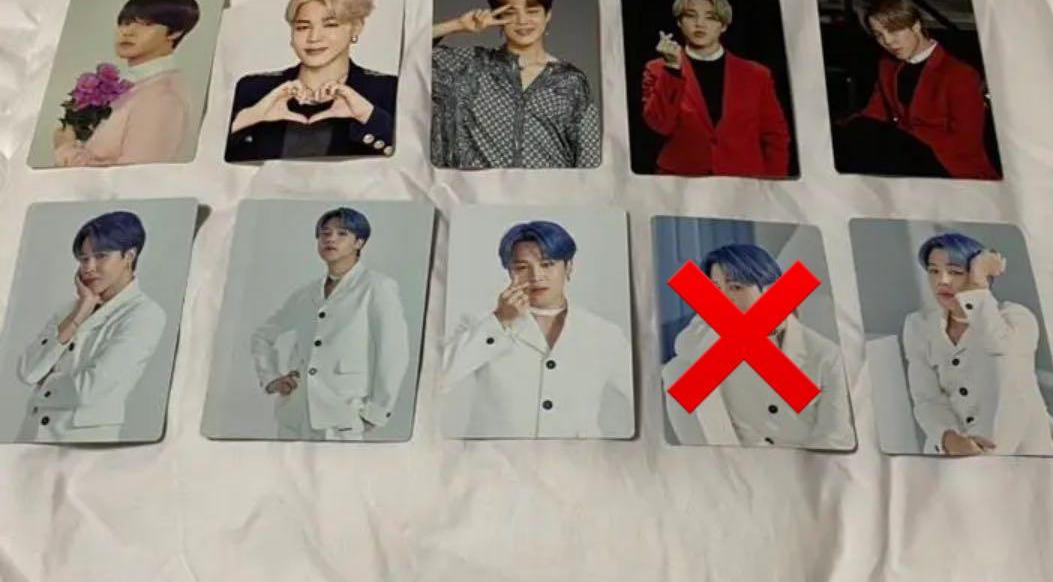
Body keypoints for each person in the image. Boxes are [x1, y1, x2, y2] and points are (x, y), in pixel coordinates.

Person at [442, 219, 633, 438]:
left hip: (577, 456)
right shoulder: (478, 324)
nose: (536, 277)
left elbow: (644, 397)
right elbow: (436, 380)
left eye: (547, 264)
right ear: (510, 272)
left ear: (568, 267)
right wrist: (500, 321)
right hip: (496, 456)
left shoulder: (604, 334)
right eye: (522, 268)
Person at [661, 243, 853, 449]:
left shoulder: (825, 355)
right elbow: (686, 345)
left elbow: (834, 438)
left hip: (804, 459)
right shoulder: (713, 338)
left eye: (735, 287)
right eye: (715, 290)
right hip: (739, 459)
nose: (723, 299)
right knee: (677, 370)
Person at [902, 231, 1053, 456]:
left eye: (955, 272)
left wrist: (978, 284)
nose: (942, 280)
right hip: (951, 451)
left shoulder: (1017, 318)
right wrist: (949, 438)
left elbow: (1004, 359)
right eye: (933, 271)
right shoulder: (918, 325)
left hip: (1019, 451)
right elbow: (926, 398)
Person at [251, 207, 410, 441]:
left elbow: (393, 352)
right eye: (325, 233)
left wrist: (376, 413)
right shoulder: (306, 293)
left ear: (359, 242)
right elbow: (262, 336)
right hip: (294, 416)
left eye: (342, 233)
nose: (330, 239)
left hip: (343, 415)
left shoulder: (377, 287)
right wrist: (271, 378)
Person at [17, 211, 167, 443]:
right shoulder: (69, 310)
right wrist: (79, 314)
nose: (88, 267)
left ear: (129, 256)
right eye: (83, 258)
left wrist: (44, 384)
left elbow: (90, 389)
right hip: (29, 438)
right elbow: (29, 372)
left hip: (82, 443)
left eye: (101, 256)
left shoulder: (145, 314)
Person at [430, 0, 601, 169]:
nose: (522, 20)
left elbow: (589, 155)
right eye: (511, 13)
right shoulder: (467, 65)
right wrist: (458, 25)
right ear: (498, 18)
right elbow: (406, 52)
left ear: (548, 15)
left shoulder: (570, 80)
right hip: (477, 187)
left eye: (532, 11)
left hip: (550, 186)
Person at [226, 0, 398, 162]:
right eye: (302, 27)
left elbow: (409, 164)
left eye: (330, 25)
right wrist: (249, 118)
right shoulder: (253, 89)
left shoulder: (388, 89)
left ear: (356, 28)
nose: (314, 37)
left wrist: (368, 116)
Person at [839, 0, 999, 179]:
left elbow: (967, 142)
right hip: (902, 156)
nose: (888, 41)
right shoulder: (887, 65)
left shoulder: (960, 74)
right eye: (879, 35)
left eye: (894, 31)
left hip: (949, 163)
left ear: (916, 25)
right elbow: (875, 113)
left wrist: (909, 144)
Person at [641, 0, 791, 176]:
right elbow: (660, 126)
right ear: (679, 22)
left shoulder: (756, 74)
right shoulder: (657, 69)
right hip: (680, 180)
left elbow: (775, 136)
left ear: (723, 25)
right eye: (691, 16)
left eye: (710, 17)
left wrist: (773, 185)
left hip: (743, 181)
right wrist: (672, 69)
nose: (699, 24)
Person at [53, 0, 200, 166]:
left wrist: (66, 149)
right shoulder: (136, 84)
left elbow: (133, 177)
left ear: (175, 32)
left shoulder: (162, 96)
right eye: (125, 23)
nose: (128, 32)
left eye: (146, 24)